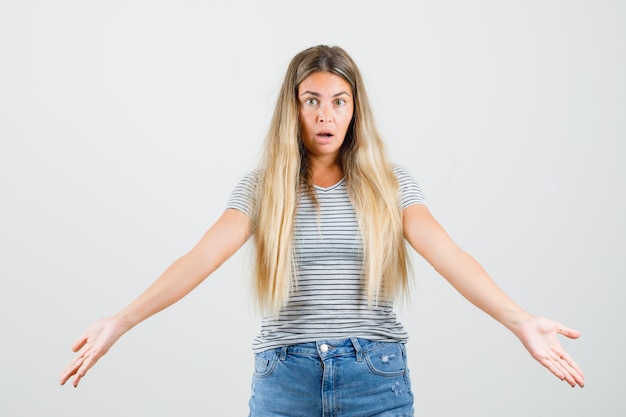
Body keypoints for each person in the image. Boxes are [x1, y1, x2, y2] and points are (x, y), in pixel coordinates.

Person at [60, 45, 584, 416]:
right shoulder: (263, 188)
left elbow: (450, 255)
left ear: (355, 109)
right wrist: (121, 321)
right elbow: (199, 259)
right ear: (293, 107)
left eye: (339, 101)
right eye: (312, 100)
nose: (325, 115)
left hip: (375, 380)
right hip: (284, 381)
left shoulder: (391, 185)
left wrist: (519, 321)